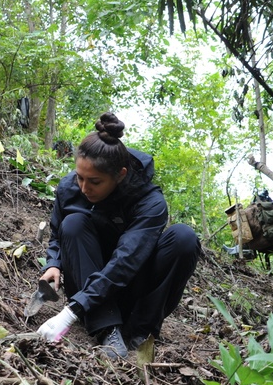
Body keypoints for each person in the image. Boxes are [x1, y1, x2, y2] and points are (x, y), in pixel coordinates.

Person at [35, 113, 201, 358]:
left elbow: (126, 261)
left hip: (132, 287)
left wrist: (71, 312)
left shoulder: (149, 202)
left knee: (184, 238)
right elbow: (58, 234)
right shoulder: (69, 187)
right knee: (73, 223)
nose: (84, 188)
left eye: (95, 182)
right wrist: (53, 263)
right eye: (80, 177)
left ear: (120, 175)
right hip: (89, 282)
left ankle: (139, 332)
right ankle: (106, 329)